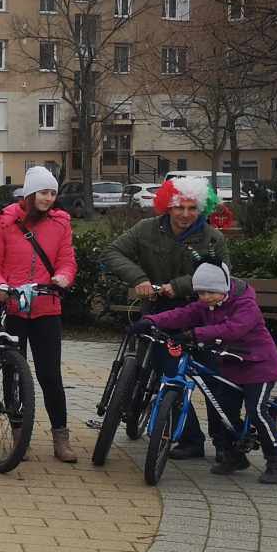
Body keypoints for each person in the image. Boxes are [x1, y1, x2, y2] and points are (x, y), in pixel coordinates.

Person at [103, 175, 228, 460]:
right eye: (179, 207)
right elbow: (113, 252)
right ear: (167, 207)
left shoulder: (213, 238)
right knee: (168, 373)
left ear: (202, 209)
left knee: (213, 376)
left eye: (192, 208)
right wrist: (139, 279)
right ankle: (189, 438)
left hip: (202, 313)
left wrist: (180, 286)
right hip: (159, 310)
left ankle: (224, 442)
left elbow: (221, 275)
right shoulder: (146, 229)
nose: (185, 214)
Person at [145, 262, 277, 484]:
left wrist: (196, 334)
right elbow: (183, 314)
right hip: (231, 365)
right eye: (201, 292)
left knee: (256, 411)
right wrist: (150, 321)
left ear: (224, 288)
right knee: (223, 410)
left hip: (259, 366)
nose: (205, 297)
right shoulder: (206, 304)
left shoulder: (245, 304)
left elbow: (234, 329)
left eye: (210, 292)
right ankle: (235, 455)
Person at [0, 165, 79, 462]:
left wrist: (62, 278)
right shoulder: (5, 222)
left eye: (52, 193)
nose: (48, 198)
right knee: (12, 371)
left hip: (47, 307)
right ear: (30, 193)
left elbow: (67, 260)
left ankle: (61, 435)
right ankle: (18, 431)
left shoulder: (61, 223)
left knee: (50, 375)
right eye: (43, 192)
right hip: (11, 306)